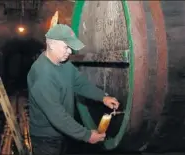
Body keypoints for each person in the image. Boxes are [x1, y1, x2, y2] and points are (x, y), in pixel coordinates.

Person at [27, 24, 120, 155]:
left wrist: (102, 97)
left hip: (64, 132)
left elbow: (80, 84)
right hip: (46, 139)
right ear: (51, 44)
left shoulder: (64, 64)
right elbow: (57, 116)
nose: (70, 51)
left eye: (71, 47)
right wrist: (86, 135)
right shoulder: (43, 75)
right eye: (66, 47)